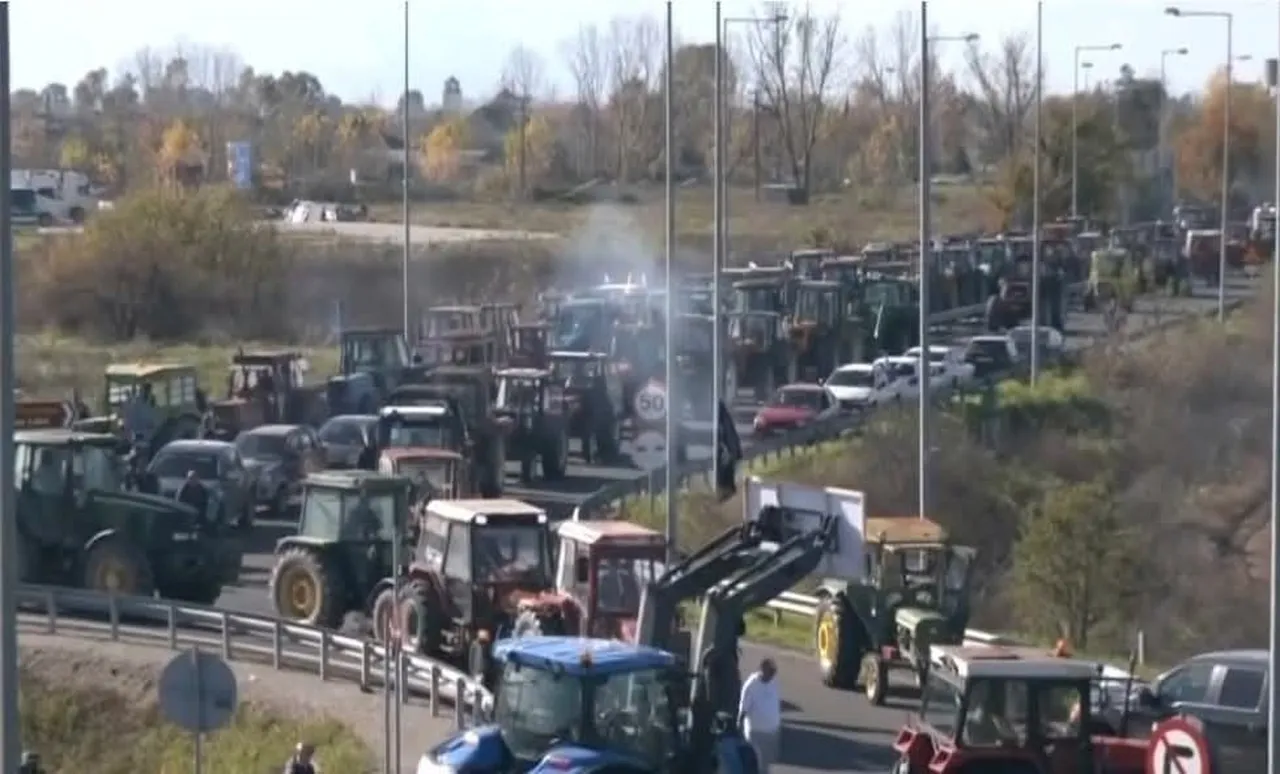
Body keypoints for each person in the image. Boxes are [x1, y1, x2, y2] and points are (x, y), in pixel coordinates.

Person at [738, 657, 782, 773]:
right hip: (756, 733)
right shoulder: (752, 685)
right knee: (755, 765)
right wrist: (739, 728)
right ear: (762, 670)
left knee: (766, 765)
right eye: (770, 672)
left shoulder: (773, 681)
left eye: (773, 673)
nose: (772, 676)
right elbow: (743, 709)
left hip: (772, 732)